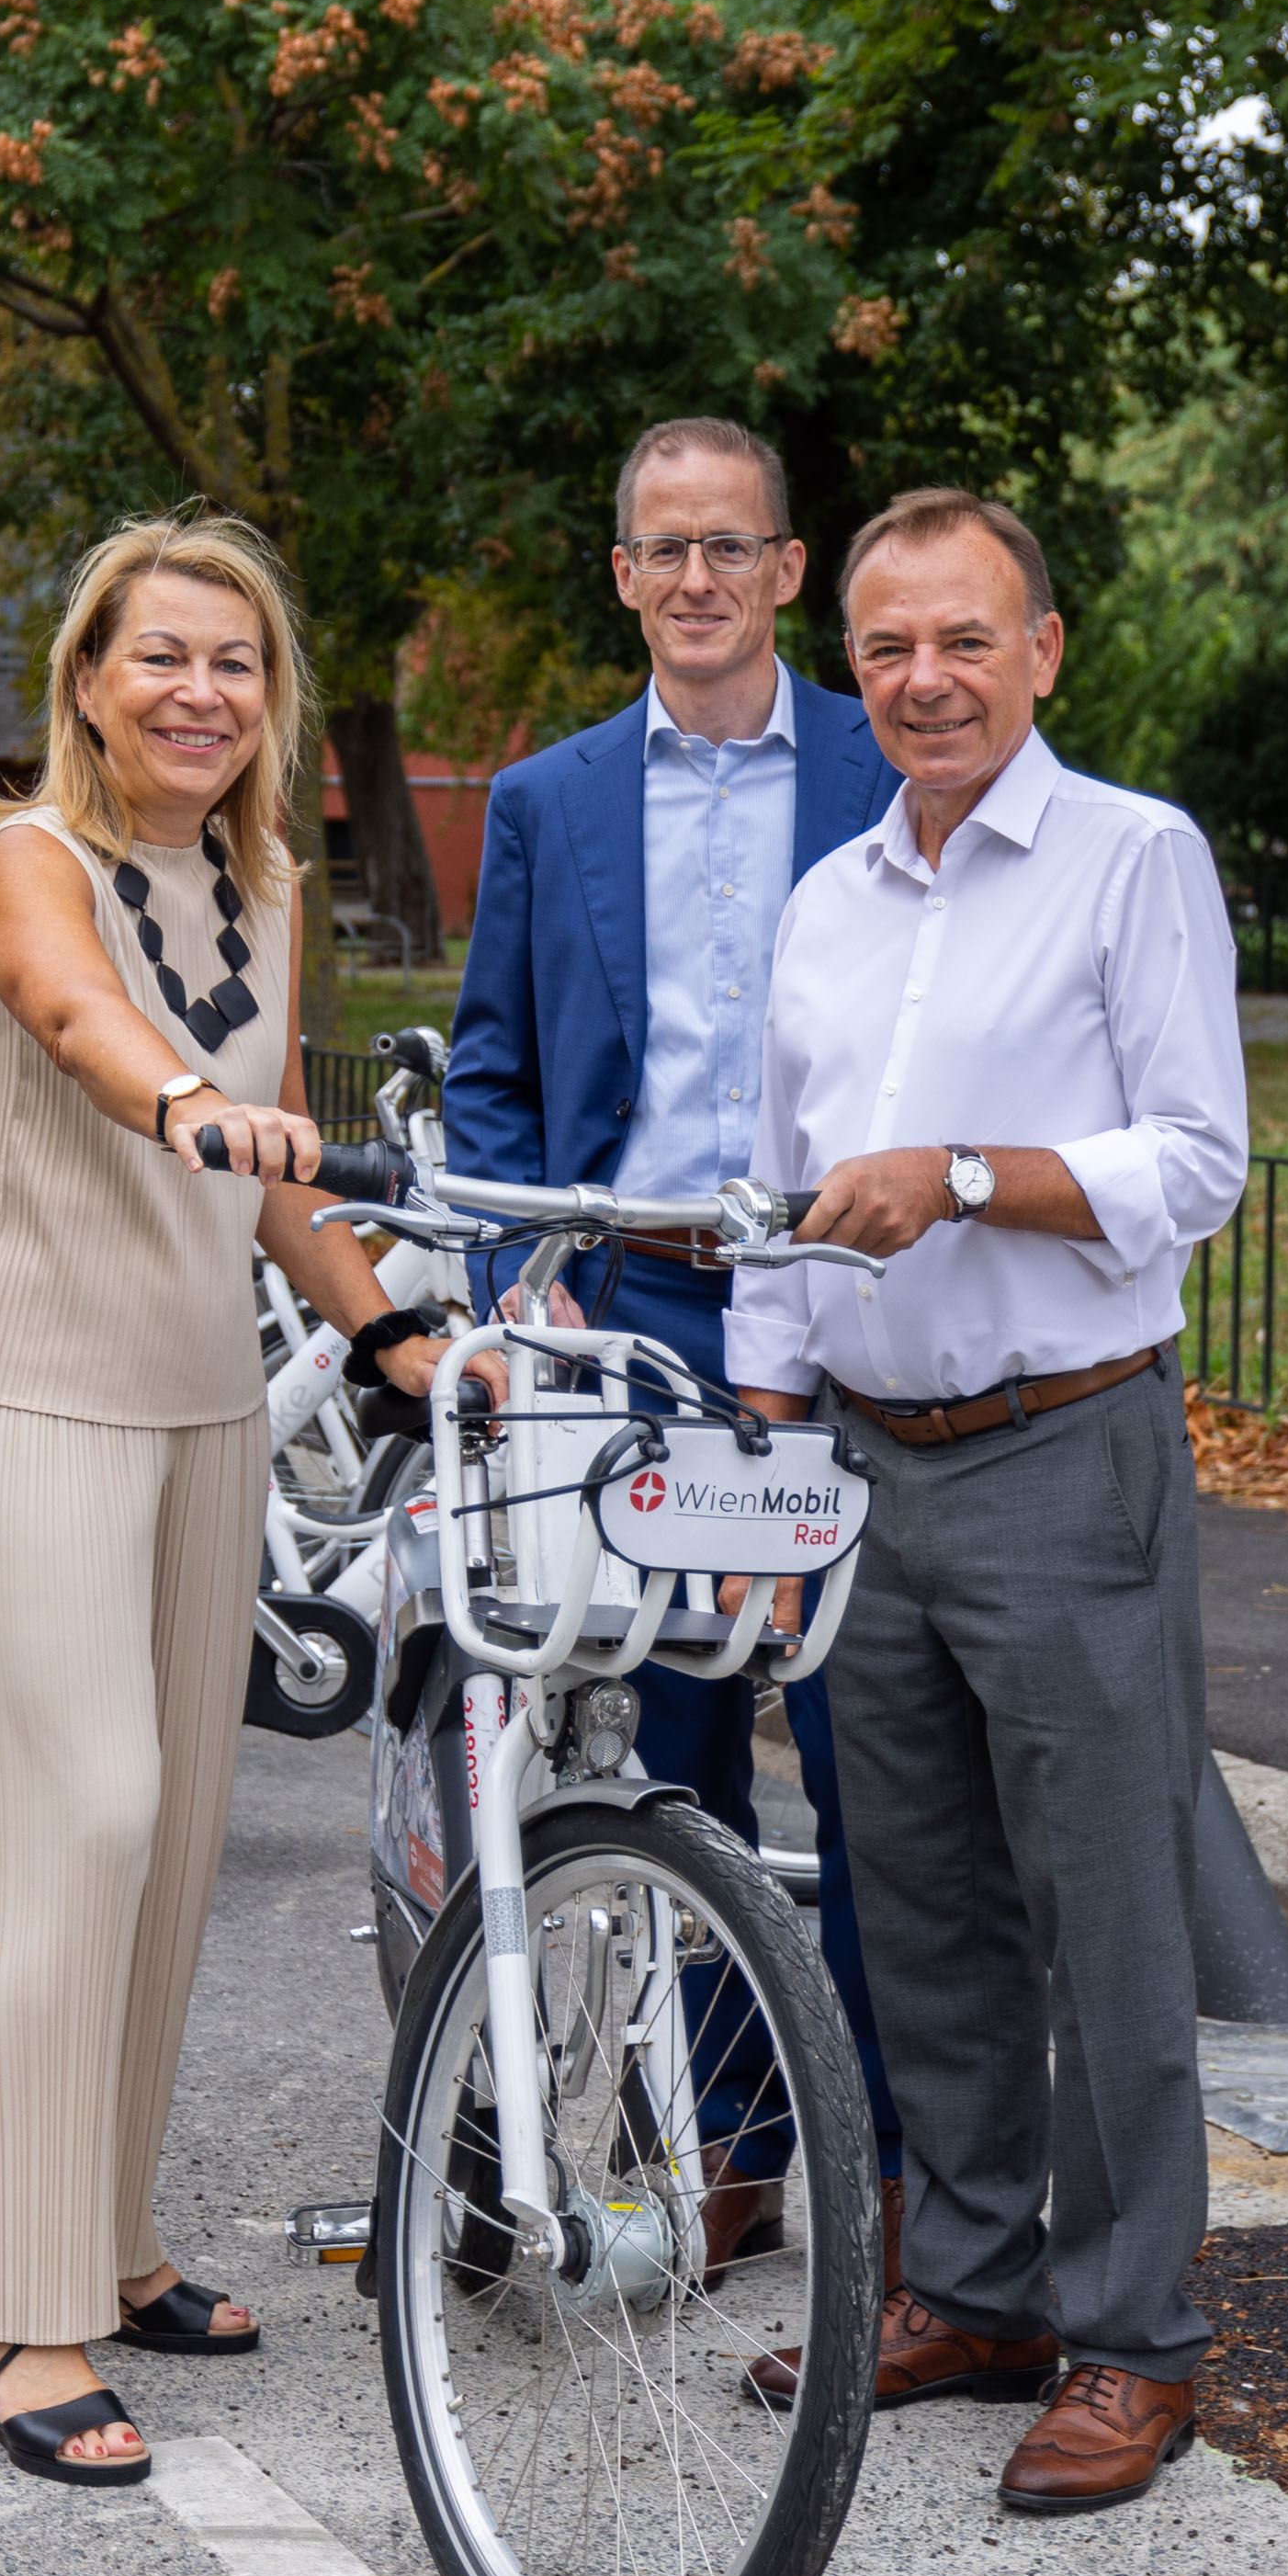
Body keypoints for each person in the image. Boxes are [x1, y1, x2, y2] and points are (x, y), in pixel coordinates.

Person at [0, 511, 452, 2487]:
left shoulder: (261, 881)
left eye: (233, 662)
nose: (200, 690)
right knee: (77, 1816)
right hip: (36, 1394)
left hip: (203, 1404)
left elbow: (279, 1172)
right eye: (161, 655)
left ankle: (111, 2241)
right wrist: (191, 1104)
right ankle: (11, 2308)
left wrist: (386, 1325)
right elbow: (82, 1020)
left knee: (173, 1842)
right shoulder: (27, 862)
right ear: (86, 677)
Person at [731, 490, 1248, 2518]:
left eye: (964, 639)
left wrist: (961, 1172)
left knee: (1104, 1910)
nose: (924, 680)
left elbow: (1194, 1160)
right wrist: (774, 1438)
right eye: (884, 650)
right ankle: (973, 2284)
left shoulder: (1135, 860)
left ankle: (1136, 2339)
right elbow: (780, 1190)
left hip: (1065, 1449)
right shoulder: (828, 901)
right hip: (869, 1462)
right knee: (920, 1909)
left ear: (1044, 648)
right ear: (847, 668)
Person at [445, 414, 905, 2262]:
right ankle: (738, 2153)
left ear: (791, 569)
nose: (698, 577)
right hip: (636, 1320)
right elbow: (493, 1074)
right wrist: (513, 1286)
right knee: (686, 1761)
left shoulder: (895, 765)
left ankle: (899, 2180)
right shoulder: (547, 802)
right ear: (622, 573)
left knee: (879, 1759)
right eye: (664, 548)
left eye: (734, 545)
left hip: (859, 1313)